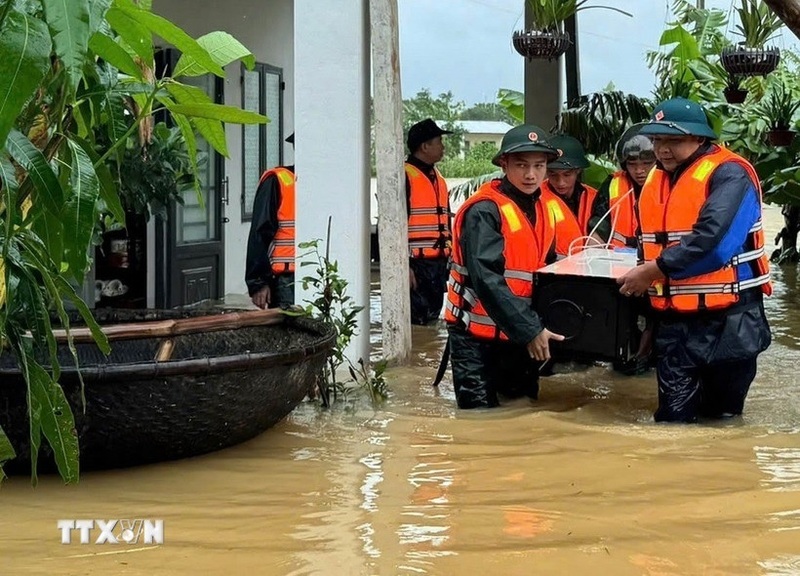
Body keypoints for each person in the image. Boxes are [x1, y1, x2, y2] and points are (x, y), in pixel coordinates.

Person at [617, 98, 772, 423]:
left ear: (700, 138)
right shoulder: (654, 183)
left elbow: (716, 243)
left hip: (730, 322)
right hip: (674, 324)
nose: (663, 150)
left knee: (723, 419)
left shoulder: (731, 175)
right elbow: (649, 251)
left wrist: (655, 271)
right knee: (673, 421)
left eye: (673, 140)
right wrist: (649, 322)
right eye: (657, 141)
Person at [444, 125, 583, 409]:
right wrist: (531, 330)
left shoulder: (545, 207)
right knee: (479, 420)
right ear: (504, 164)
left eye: (539, 166)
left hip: (517, 334)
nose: (531, 174)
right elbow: (486, 279)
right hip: (476, 339)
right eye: (521, 165)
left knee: (523, 409)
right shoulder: (484, 211)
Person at [405, 119, 453, 325]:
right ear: (425, 146)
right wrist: (403, 267)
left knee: (431, 322)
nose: (443, 146)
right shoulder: (404, 176)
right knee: (416, 322)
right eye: (439, 141)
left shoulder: (438, 178)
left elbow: (446, 224)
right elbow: (391, 227)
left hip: (438, 264)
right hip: (416, 265)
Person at [245, 133, 296, 309]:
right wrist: (258, 283)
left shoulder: (327, 183)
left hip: (319, 275)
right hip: (286, 281)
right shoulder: (278, 180)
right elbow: (259, 233)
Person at [593, 125, 657, 247]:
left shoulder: (670, 184)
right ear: (624, 165)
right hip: (619, 259)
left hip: (659, 261)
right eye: (632, 164)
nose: (639, 170)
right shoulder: (613, 185)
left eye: (646, 163)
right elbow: (598, 229)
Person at [540, 134, 602, 244]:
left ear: (577, 170)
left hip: (589, 258)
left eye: (567, 175)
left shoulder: (596, 198)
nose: (560, 182)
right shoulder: (536, 197)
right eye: (553, 174)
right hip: (554, 261)